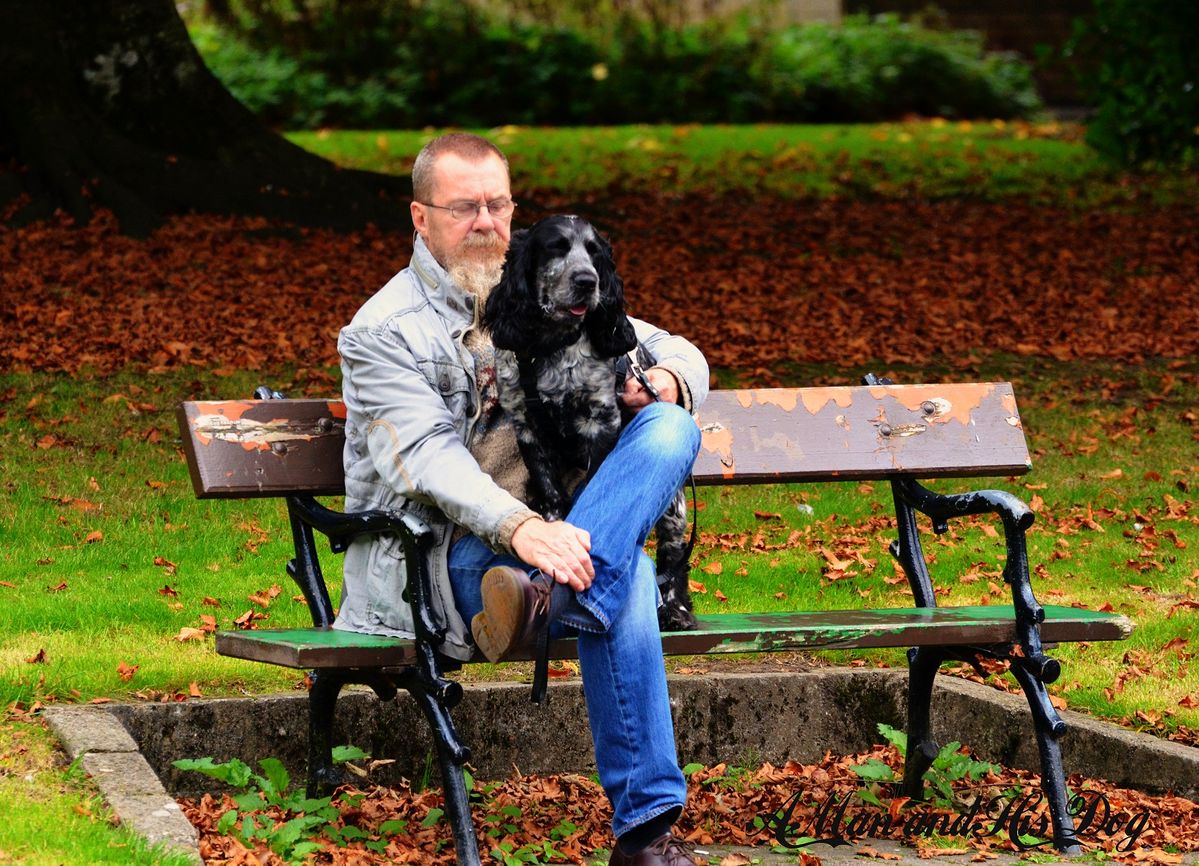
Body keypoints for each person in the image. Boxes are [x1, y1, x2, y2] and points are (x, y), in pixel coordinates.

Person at [335, 133, 709, 866]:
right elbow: (426, 460)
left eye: (497, 204)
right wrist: (523, 529)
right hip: (452, 558)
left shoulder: (547, 277)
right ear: (420, 217)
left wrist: (665, 382)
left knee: (667, 428)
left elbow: (675, 345)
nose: (486, 222)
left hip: (557, 547)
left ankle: (562, 587)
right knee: (620, 567)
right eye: (464, 206)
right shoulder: (382, 331)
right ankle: (645, 837)